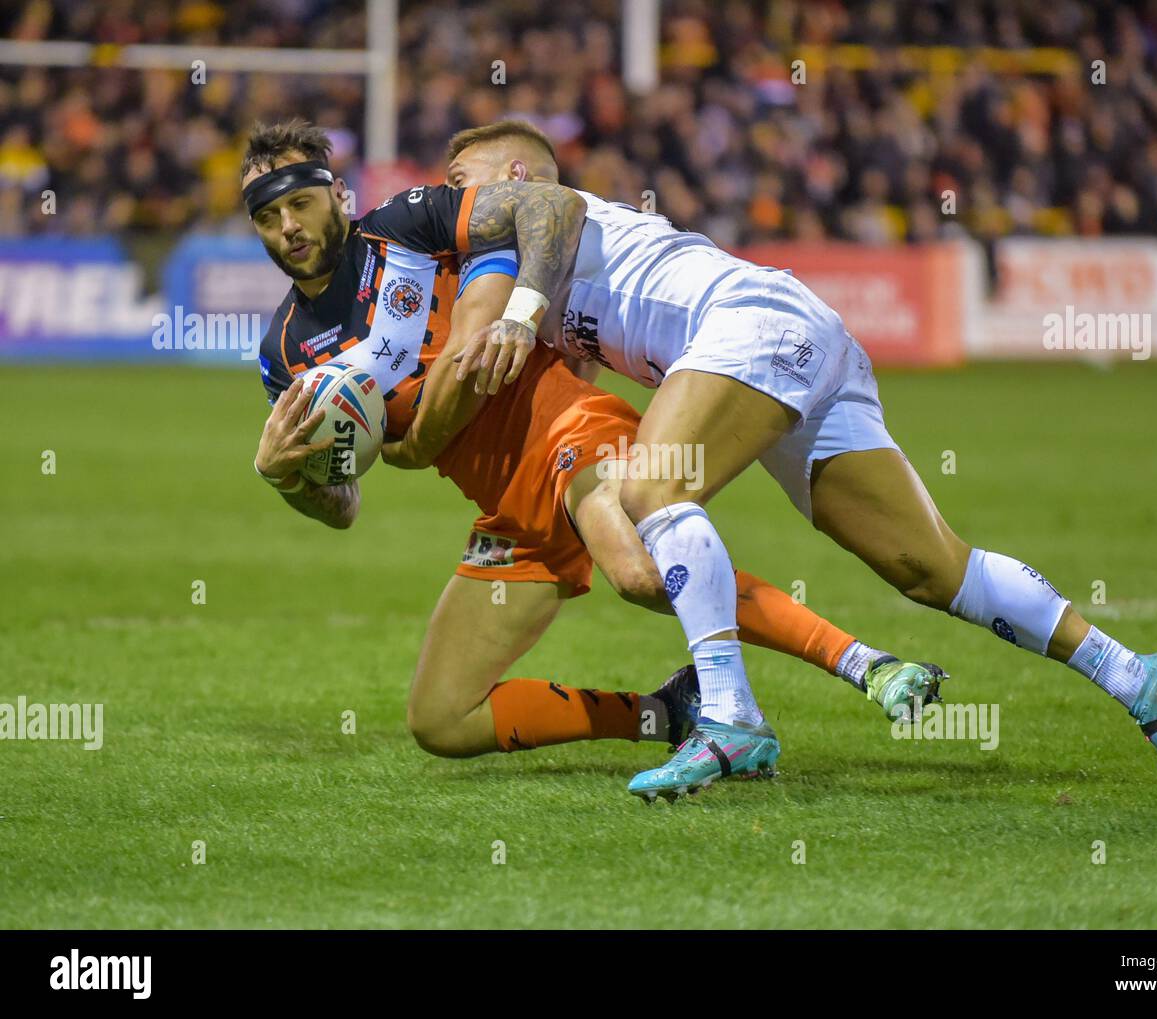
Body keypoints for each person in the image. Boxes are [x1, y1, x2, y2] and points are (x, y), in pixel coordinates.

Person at [439, 120, 1157, 797]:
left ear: (514, 177)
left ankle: (731, 717)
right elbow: (578, 381)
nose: (450, 204)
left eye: (459, 184)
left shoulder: (543, 209)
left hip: (748, 325)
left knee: (654, 489)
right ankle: (1138, 675)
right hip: (797, 334)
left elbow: (554, 207)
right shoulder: (537, 269)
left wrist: (518, 316)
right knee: (932, 568)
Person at [243, 119, 946, 785]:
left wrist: (499, 342)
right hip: (508, 508)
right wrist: (282, 477)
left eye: (300, 205)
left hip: (571, 432)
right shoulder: (282, 353)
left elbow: (545, 211)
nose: (289, 229)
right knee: (441, 718)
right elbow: (342, 503)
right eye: (269, 220)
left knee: (640, 572)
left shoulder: (408, 225)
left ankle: (866, 664)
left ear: (338, 193)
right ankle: (667, 711)